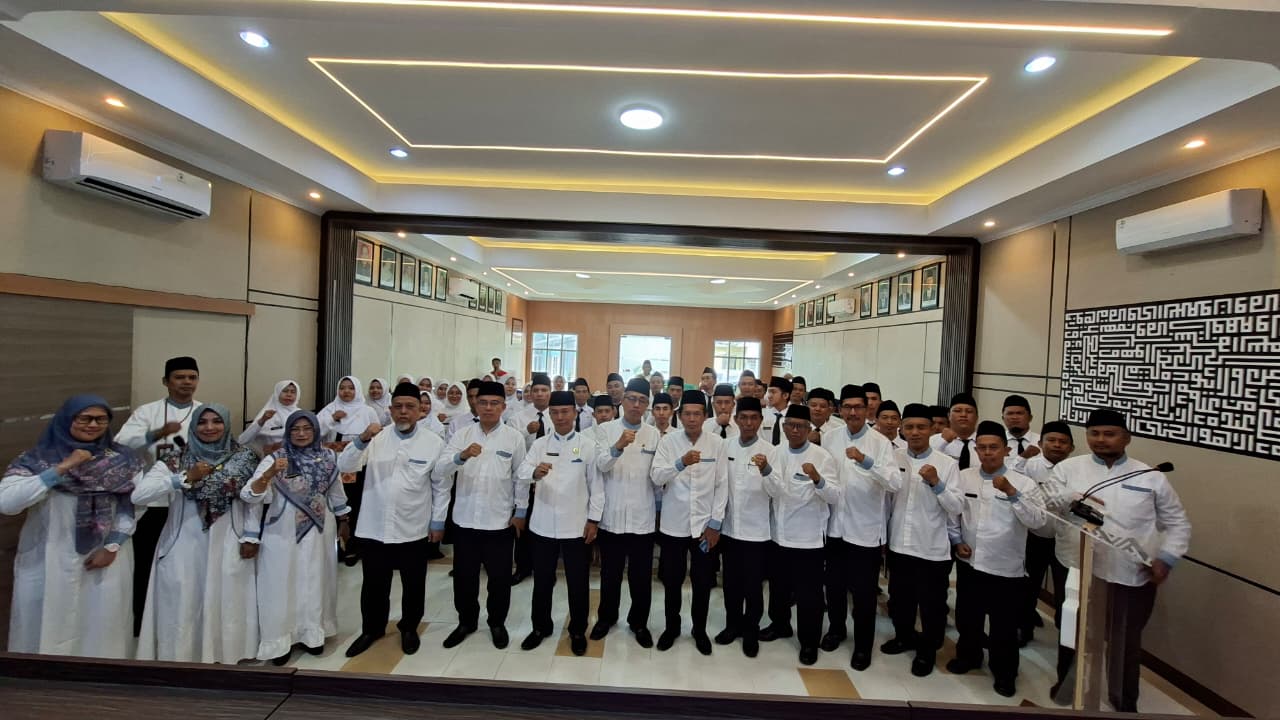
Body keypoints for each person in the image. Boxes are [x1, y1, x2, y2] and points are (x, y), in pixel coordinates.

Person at [1048, 408, 1191, 712]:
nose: (1101, 439)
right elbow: (1048, 503)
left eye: (1109, 434)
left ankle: (1123, 701)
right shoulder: (1068, 468)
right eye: (1094, 433)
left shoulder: (1150, 476)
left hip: (1130, 573)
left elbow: (1177, 523)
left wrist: (1166, 558)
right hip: (1078, 567)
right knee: (1073, 631)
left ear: (1126, 438)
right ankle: (1068, 685)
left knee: (1124, 642)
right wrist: (1072, 496)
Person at [2, 395, 148, 658]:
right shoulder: (36, 459)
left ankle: (99, 678)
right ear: (67, 419)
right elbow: (7, 503)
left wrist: (113, 545)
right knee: (48, 619)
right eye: (85, 418)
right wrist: (62, 468)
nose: (92, 425)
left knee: (103, 623)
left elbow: (136, 505)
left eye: (100, 419)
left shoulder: (125, 460)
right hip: (49, 555)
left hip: (107, 555)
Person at [132, 403, 261, 663]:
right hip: (183, 540)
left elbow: (254, 499)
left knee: (226, 595)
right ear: (193, 426)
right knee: (184, 596)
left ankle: (225, 654)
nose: (209, 427)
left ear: (226, 424)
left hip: (229, 537)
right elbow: (139, 495)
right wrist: (182, 478)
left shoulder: (245, 456)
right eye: (202, 422)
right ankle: (182, 655)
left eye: (217, 421)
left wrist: (251, 535)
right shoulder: (176, 457)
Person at [340, 382, 450, 658]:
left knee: (414, 583)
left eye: (410, 407)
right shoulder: (376, 438)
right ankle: (372, 629)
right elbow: (345, 466)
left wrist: (438, 522)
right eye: (398, 406)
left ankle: (409, 628)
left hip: (413, 526)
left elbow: (441, 486)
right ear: (390, 410)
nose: (403, 412)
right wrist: (362, 438)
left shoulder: (433, 443)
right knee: (374, 584)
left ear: (420, 410)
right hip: (374, 526)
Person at [241, 411, 351, 665]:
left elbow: (337, 493)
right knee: (281, 583)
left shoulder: (328, 457)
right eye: (295, 429)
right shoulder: (275, 459)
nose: (301, 434)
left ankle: (313, 634)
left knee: (316, 580)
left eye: (307, 428)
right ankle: (280, 640)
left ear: (315, 431)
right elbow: (250, 496)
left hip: (320, 531)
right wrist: (268, 475)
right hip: (282, 532)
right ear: (288, 432)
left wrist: (344, 520)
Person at [947, 421, 1047, 697]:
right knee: (968, 617)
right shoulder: (965, 476)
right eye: (982, 448)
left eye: (994, 447)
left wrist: (1012, 494)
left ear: (1006, 450)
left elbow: (1038, 520)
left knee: (1004, 625)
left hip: (1006, 566)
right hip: (970, 562)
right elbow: (955, 514)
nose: (988, 452)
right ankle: (969, 656)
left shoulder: (1023, 482)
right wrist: (956, 541)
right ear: (976, 450)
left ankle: (1005, 672)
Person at [438, 381, 528, 650]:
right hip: (465, 520)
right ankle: (466, 621)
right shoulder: (462, 435)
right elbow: (440, 470)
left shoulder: (514, 438)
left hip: (499, 521)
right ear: (475, 405)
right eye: (483, 403)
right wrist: (461, 456)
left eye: (494, 403)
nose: (488, 408)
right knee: (464, 577)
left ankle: (497, 623)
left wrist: (520, 511)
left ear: (503, 407)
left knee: (499, 579)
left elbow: (521, 477)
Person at [116, 355, 200, 635]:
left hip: (190, 503)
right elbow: (120, 445)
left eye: (192, 377)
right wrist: (157, 434)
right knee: (146, 563)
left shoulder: (204, 412)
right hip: (152, 503)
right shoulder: (147, 412)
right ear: (166, 381)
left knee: (185, 566)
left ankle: (183, 622)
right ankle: (141, 624)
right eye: (179, 377)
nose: (186, 382)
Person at [821, 385, 902, 670]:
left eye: (858, 407)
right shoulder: (830, 438)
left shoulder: (880, 443)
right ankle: (836, 629)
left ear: (867, 410)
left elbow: (894, 483)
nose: (853, 412)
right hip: (834, 527)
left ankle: (863, 645)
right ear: (839, 409)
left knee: (864, 593)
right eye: (847, 407)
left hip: (865, 531)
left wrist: (866, 461)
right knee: (834, 587)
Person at [517, 390, 604, 655]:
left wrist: (594, 520)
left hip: (576, 526)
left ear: (575, 413)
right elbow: (522, 472)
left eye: (565, 411)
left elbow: (597, 487)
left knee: (578, 582)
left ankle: (577, 630)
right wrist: (534, 472)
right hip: (543, 524)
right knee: (542, 581)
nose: (560, 417)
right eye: (555, 412)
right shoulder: (540, 444)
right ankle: (540, 627)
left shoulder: (587, 446)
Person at [884, 403, 964, 677]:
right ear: (902, 430)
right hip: (898, 543)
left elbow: (956, 506)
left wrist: (936, 483)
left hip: (931, 547)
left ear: (932, 429)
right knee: (900, 599)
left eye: (921, 427)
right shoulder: (893, 457)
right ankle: (903, 637)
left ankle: (928, 651)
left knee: (931, 605)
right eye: (909, 427)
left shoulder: (947, 464)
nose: (915, 432)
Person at [762, 404, 840, 666]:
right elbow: (772, 491)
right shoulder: (775, 452)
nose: (795, 430)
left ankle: (809, 641)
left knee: (809, 595)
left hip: (808, 539)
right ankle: (780, 624)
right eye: (790, 425)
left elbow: (834, 496)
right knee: (778, 587)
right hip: (778, 535)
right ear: (783, 427)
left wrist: (817, 478)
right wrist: (766, 473)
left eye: (800, 426)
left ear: (809, 429)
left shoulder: (822, 456)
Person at [651, 391, 726, 655]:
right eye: (687, 414)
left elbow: (722, 485)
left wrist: (715, 524)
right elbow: (656, 477)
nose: (692, 419)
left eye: (697, 414)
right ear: (679, 416)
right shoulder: (668, 442)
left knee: (702, 581)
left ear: (705, 416)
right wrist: (680, 463)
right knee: (672, 580)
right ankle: (672, 628)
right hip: (674, 525)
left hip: (704, 527)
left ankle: (699, 630)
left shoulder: (717, 444)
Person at [591, 378, 660, 647]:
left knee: (641, 577)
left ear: (647, 405)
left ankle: (639, 622)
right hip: (613, 516)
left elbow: (656, 477)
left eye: (642, 401)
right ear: (622, 401)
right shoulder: (605, 430)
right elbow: (601, 465)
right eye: (631, 399)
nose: (636, 405)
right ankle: (606, 618)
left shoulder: (653, 434)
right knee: (610, 574)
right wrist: (618, 446)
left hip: (642, 518)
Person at [714, 396, 776, 658]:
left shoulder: (771, 451)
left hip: (757, 532)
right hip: (729, 529)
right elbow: (719, 484)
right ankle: (732, 626)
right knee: (730, 584)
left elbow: (777, 491)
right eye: (744, 418)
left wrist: (767, 470)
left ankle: (751, 630)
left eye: (753, 418)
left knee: (753, 586)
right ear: (736, 420)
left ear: (760, 421)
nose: (748, 423)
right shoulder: (725, 446)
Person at [1018, 421, 1075, 648]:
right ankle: (1024, 628)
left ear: (1071, 447)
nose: (1057, 445)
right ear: (1041, 443)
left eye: (1063, 442)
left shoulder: (1076, 470)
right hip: (1035, 537)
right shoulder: (1030, 467)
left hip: (1066, 540)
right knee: (1028, 587)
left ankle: (1065, 642)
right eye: (1051, 440)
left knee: (1065, 594)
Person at [318, 376, 380, 565]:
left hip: (360, 465)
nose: (346, 391)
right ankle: (337, 546)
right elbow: (314, 431)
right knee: (336, 502)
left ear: (358, 390)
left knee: (356, 502)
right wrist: (332, 419)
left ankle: (355, 545)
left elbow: (377, 435)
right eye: (342, 388)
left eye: (351, 388)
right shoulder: (330, 409)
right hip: (333, 465)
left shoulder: (367, 411)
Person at [509, 373, 553, 584]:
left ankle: (546, 570)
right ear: (530, 393)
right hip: (524, 480)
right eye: (536, 390)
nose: (540, 394)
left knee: (547, 526)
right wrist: (526, 431)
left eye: (544, 390)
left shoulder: (558, 414)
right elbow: (510, 443)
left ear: (550, 392)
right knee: (523, 525)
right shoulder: (519, 417)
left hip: (551, 478)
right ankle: (523, 567)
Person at [239, 380, 301, 456]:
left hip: (295, 454)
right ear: (277, 393)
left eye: (293, 392)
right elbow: (242, 440)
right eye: (285, 391)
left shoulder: (299, 414)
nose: (289, 395)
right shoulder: (267, 413)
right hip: (266, 456)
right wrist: (262, 420)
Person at [930, 393, 980, 470]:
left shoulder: (984, 443)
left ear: (976, 417)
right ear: (949, 415)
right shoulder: (934, 440)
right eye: (957, 411)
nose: (963, 415)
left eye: (969, 411)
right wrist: (943, 442)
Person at [1002, 394, 1041, 459]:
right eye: (1010, 413)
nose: (1014, 417)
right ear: (1003, 418)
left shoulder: (1041, 443)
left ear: (1030, 417)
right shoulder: (996, 444)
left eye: (1019, 413)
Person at [761, 376, 793, 446]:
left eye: (773, 392)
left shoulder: (795, 417)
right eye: (769, 392)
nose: (769, 396)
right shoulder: (762, 415)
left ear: (785, 395)